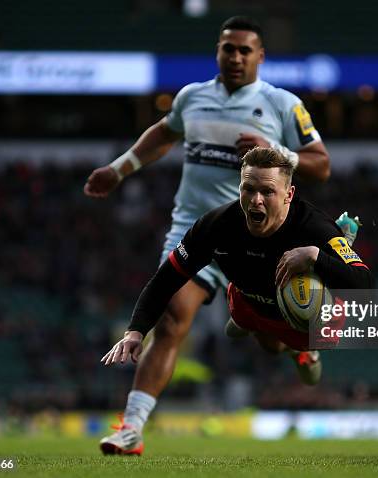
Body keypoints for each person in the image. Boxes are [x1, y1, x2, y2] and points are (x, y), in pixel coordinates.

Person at [85, 16, 354, 455]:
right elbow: (163, 133)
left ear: (260, 57)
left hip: (260, 235)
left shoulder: (282, 104)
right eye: (228, 48)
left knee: (270, 340)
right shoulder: (192, 97)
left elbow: (320, 165)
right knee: (172, 320)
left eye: (246, 50)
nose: (236, 57)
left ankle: (298, 348)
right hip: (198, 229)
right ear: (218, 52)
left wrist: (280, 152)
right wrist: (118, 170)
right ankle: (131, 428)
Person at [100, 148, 371, 455]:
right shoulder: (217, 225)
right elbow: (166, 280)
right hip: (247, 300)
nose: (256, 200)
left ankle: (302, 349)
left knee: (301, 332)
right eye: (248, 188)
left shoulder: (314, 228)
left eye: (267, 191)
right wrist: (136, 331)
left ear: (288, 194)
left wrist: (316, 256)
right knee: (263, 339)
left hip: (306, 317)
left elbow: (364, 285)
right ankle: (253, 324)